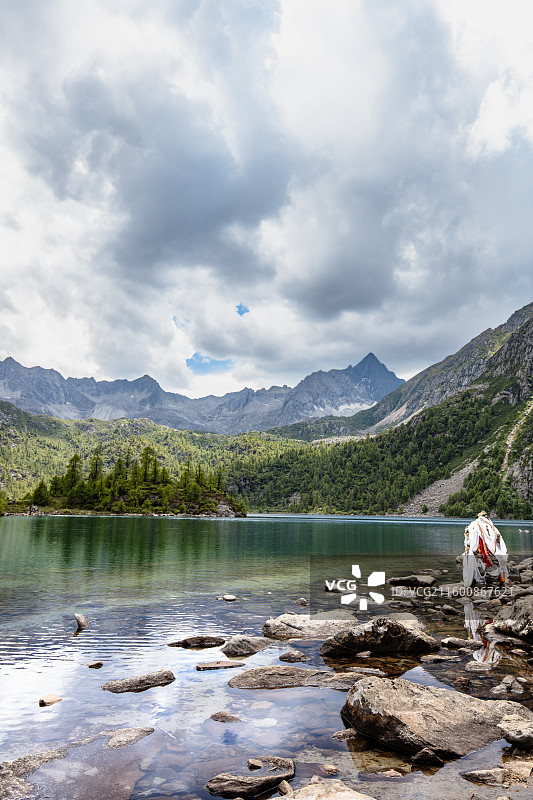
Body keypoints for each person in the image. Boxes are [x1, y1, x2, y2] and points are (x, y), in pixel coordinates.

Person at [463, 510, 508, 588]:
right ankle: (501, 581)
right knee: (501, 563)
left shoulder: (484, 526)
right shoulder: (482, 525)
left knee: (499, 562)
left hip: (486, 550)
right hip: (483, 550)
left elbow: (469, 539)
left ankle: (500, 581)